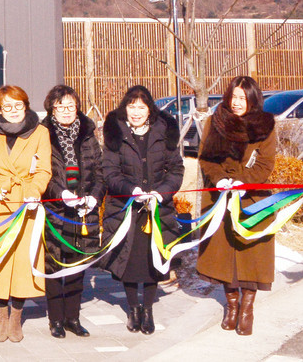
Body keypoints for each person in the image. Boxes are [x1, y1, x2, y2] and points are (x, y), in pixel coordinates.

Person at [196, 75, 276, 335]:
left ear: (253, 99)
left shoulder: (265, 126)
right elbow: (205, 158)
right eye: (234, 96)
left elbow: (265, 165)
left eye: (243, 97)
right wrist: (220, 180)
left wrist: (241, 182)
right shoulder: (215, 122)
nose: (237, 102)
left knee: (250, 255)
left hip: (253, 199)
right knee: (224, 255)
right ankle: (231, 306)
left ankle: (247, 309)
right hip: (219, 197)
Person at [101, 85, 184, 335]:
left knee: (152, 261)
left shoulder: (163, 131)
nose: (136, 112)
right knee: (128, 261)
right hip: (126, 208)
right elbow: (110, 172)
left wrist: (162, 192)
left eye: (141, 107)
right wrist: (131, 190)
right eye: (131, 106)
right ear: (125, 108)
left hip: (157, 208)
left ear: (149, 109)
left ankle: (147, 310)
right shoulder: (115, 131)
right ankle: (133, 308)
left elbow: (176, 169)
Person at [0, 85, 52, 344]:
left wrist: (34, 191)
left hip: (26, 202)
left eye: (18, 106)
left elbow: (44, 169)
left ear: (26, 105)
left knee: (23, 261)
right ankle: (0, 315)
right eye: (6, 107)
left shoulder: (40, 132)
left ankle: (16, 317)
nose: (13, 112)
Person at [41, 85, 103, 338]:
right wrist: (60, 193)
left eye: (70, 106)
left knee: (78, 265)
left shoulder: (88, 134)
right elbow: (42, 173)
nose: (66, 111)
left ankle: (72, 318)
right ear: (52, 109)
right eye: (60, 107)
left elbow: (100, 172)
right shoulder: (43, 134)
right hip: (56, 209)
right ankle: (55, 319)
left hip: (83, 210)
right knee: (54, 264)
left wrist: (94, 197)